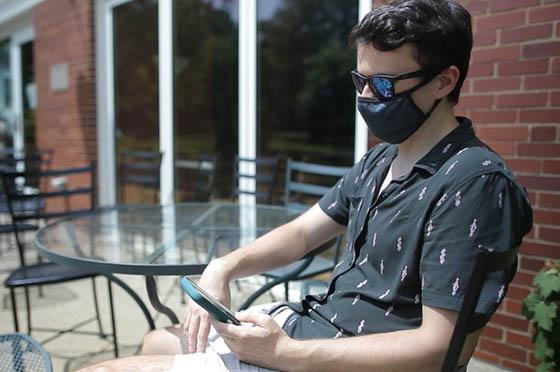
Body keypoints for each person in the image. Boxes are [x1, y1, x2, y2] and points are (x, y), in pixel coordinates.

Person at [80, 0, 532, 371]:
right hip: (315, 328)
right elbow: (300, 234)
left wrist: (286, 354)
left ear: (444, 81)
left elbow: (439, 350)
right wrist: (223, 267)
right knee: (156, 340)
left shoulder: (473, 183)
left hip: (337, 359)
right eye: (360, 80)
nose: (367, 98)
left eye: (383, 85)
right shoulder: (380, 160)